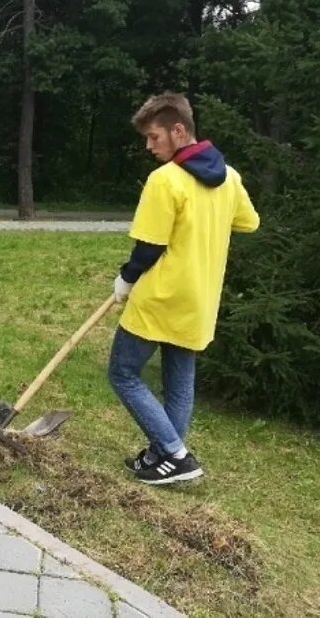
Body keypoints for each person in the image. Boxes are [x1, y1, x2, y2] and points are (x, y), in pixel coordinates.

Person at [109, 92, 259, 485]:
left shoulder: (166, 180)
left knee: (123, 372)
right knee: (179, 381)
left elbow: (149, 247)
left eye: (154, 137)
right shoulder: (229, 177)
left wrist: (125, 279)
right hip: (199, 300)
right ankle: (163, 458)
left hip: (161, 297)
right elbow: (249, 222)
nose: (148, 146)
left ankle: (177, 454)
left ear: (179, 130)